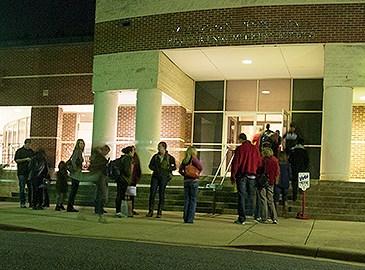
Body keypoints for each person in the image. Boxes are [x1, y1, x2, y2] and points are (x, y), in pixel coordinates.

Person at [231, 133, 261, 225]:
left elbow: (236, 163)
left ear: (240, 139)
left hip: (242, 175)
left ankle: (242, 217)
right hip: (252, 175)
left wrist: (233, 176)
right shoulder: (255, 149)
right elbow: (259, 162)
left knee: (241, 196)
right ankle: (253, 215)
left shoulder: (240, 149)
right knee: (252, 195)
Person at [146, 142, 176, 218]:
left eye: (159, 147)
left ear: (164, 148)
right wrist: (155, 169)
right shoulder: (155, 157)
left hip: (164, 177)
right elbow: (150, 165)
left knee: (161, 193)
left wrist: (167, 169)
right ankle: (151, 210)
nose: (158, 148)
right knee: (152, 193)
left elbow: (174, 167)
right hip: (155, 176)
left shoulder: (170, 158)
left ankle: (159, 211)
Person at [179, 146, 203, 224]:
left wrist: (185, 174)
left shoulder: (185, 160)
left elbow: (180, 170)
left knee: (187, 200)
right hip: (194, 181)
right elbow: (200, 167)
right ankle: (190, 218)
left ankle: (185, 217)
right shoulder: (194, 159)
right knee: (193, 200)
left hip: (186, 181)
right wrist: (196, 174)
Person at [257, 147, 280, 224]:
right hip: (271, 182)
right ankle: (274, 218)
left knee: (263, 199)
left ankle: (264, 218)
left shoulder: (264, 160)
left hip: (263, 181)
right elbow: (277, 172)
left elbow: (260, 170)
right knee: (270, 200)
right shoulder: (275, 160)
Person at [88, 145, 110, 223]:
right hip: (100, 177)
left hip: (99, 177)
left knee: (99, 193)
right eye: (106, 152)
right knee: (102, 194)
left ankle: (98, 208)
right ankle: (99, 209)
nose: (106, 153)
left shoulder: (97, 157)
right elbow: (96, 166)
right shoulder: (99, 158)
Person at [115, 146, 134, 218]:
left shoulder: (122, 158)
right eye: (132, 151)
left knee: (120, 194)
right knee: (121, 195)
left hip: (120, 179)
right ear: (129, 152)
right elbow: (127, 170)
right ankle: (119, 211)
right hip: (124, 179)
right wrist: (130, 175)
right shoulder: (127, 159)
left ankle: (119, 211)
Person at [14, 138, 34, 208]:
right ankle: (22, 202)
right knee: (22, 188)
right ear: (25, 143)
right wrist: (25, 159)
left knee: (30, 188)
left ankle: (31, 202)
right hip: (22, 172)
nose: (29, 146)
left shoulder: (31, 151)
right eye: (28, 144)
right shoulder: (19, 151)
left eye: (30, 144)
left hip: (29, 172)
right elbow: (16, 160)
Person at [67, 139, 85, 212]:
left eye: (82, 143)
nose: (82, 145)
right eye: (80, 143)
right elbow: (73, 160)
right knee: (74, 190)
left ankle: (70, 205)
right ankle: (70, 206)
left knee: (74, 189)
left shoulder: (79, 151)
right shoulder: (77, 151)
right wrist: (76, 169)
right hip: (75, 174)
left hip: (76, 173)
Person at [288, 138, 309, 202]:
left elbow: (290, 160)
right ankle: (302, 195)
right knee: (302, 183)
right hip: (302, 169)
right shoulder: (304, 151)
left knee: (294, 183)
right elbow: (307, 161)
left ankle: (294, 196)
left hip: (294, 169)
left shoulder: (293, 151)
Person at [274, 151, 291, 217]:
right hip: (285, 181)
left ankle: (276, 212)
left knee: (276, 197)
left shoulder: (277, 163)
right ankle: (285, 211)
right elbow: (290, 173)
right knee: (285, 197)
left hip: (278, 182)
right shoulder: (287, 164)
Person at [130, 146, 142, 215]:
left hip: (133, 179)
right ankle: (127, 209)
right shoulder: (127, 159)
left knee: (131, 195)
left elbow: (138, 169)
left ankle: (131, 208)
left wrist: (138, 177)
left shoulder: (136, 159)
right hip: (127, 179)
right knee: (126, 195)